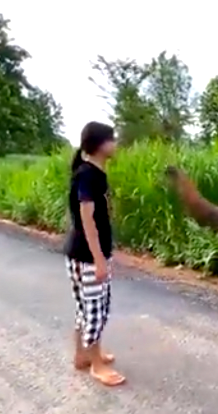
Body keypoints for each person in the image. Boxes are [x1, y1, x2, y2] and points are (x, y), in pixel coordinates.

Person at [63, 121, 125, 386]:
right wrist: (99, 259)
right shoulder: (88, 175)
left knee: (86, 308)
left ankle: (84, 355)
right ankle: (96, 366)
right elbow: (87, 220)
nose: (116, 143)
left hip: (82, 254)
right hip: (88, 256)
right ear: (101, 145)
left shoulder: (92, 173)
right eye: (112, 139)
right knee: (95, 310)